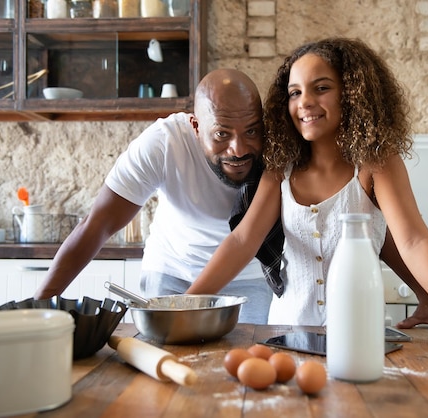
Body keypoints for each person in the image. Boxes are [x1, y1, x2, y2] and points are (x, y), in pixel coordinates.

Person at [187, 38, 428, 358]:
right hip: (286, 337)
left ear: (351, 93)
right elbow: (242, 239)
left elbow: (414, 241)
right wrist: (186, 306)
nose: (305, 102)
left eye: (321, 88)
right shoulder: (281, 167)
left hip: (363, 340)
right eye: (295, 92)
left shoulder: (377, 164)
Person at [33, 68, 274, 324]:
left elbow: (244, 240)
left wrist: (186, 307)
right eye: (221, 134)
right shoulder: (164, 143)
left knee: (246, 359)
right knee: (163, 354)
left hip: (248, 276)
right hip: (172, 270)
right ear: (195, 126)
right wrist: (38, 307)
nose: (238, 150)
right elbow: (98, 223)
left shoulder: (275, 146)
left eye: (251, 132)